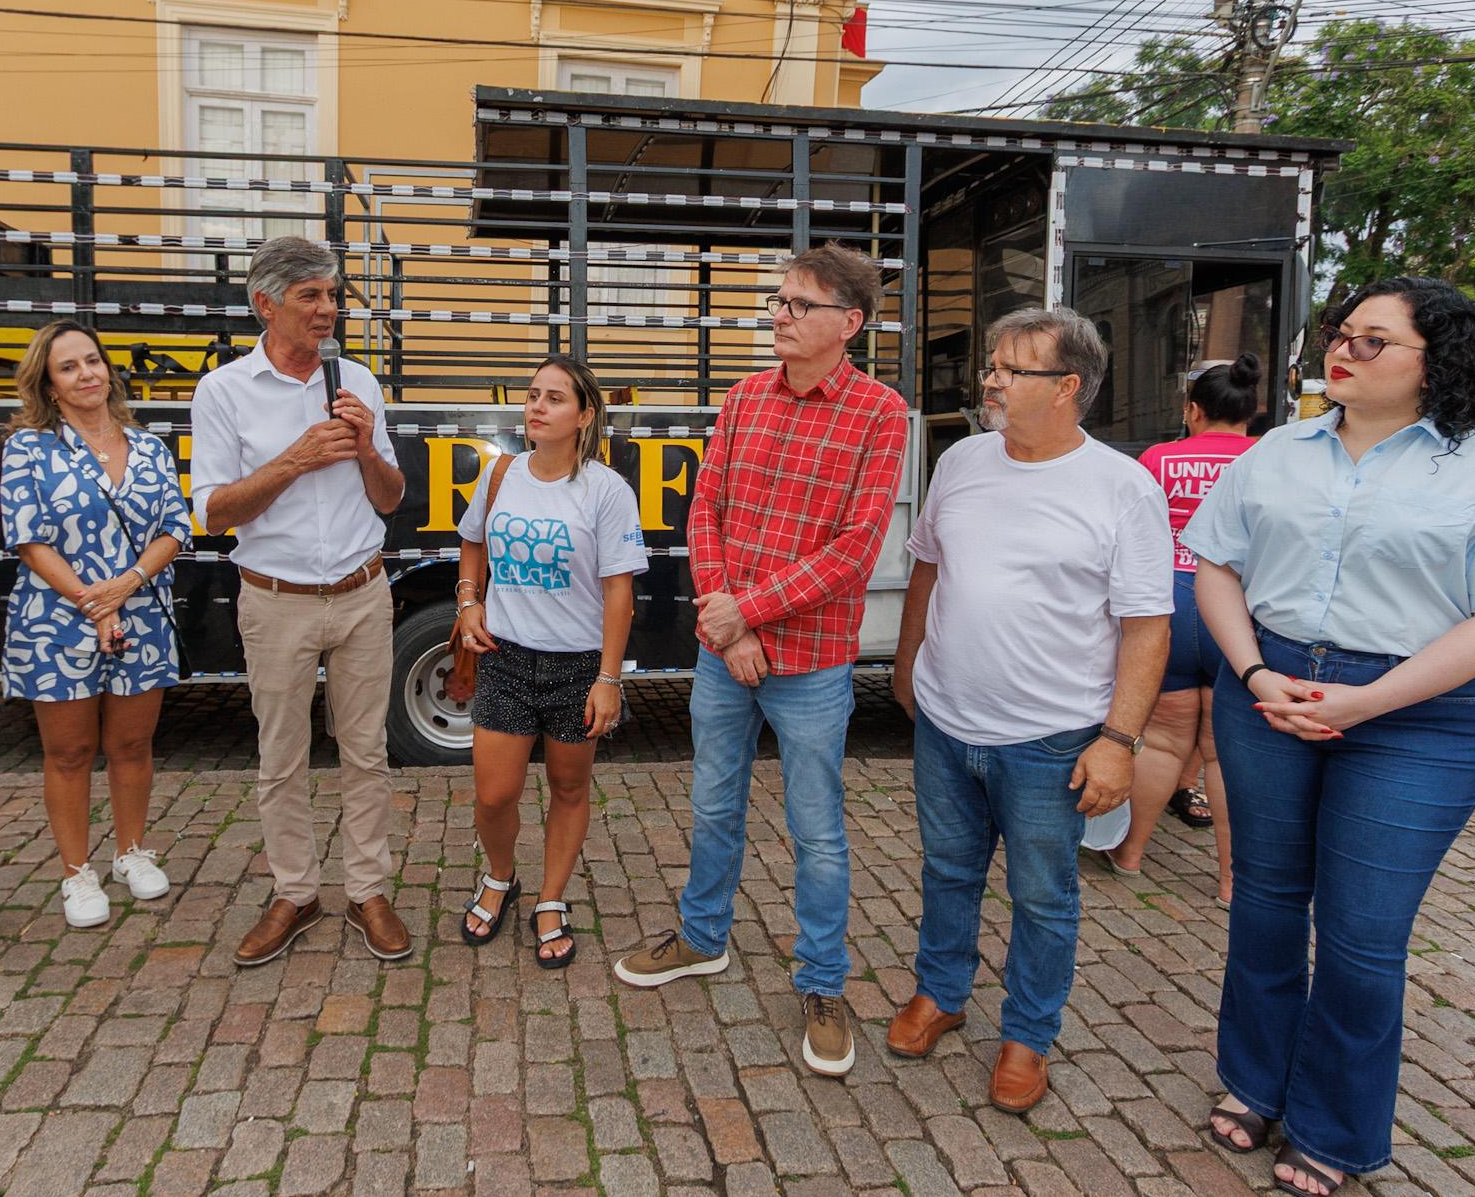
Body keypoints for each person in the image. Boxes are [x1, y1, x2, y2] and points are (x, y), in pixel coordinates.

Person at [1185, 278, 1475, 1196]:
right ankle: (1254, 1080)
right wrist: (1252, 672)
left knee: (1365, 936)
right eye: (1341, 333)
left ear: (1432, 360)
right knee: (1265, 901)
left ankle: (1334, 1126)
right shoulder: (1277, 451)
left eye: (1374, 341)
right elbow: (1217, 566)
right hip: (1272, 684)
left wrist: (1362, 704)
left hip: (1420, 713)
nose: (1344, 351)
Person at [613, 242, 909, 1079]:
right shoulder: (744, 398)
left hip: (812, 663)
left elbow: (854, 553)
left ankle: (821, 981)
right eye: (777, 302)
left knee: (818, 831)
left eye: (798, 304)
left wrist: (751, 610)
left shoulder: (880, 414)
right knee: (713, 806)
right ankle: (703, 937)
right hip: (726, 650)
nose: (779, 315)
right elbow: (705, 507)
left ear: (848, 323)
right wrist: (730, 622)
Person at [886, 306, 1172, 1111]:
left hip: (1052, 739)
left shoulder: (1123, 487)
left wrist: (1119, 739)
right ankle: (940, 994)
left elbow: (1148, 625)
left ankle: (1026, 1036)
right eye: (994, 365)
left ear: (1068, 387)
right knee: (947, 870)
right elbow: (928, 570)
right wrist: (908, 666)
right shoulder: (964, 461)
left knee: (1044, 895)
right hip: (947, 721)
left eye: (1012, 370)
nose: (991, 381)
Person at [191, 237, 412, 965]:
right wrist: (296, 458)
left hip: (360, 591)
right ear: (266, 304)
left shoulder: (359, 380)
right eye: (311, 296)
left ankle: (368, 891)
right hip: (275, 598)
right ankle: (295, 890)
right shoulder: (224, 391)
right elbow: (214, 513)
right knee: (280, 756)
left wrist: (369, 447)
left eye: (332, 294)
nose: (329, 309)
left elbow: (390, 499)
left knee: (367, 751)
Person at [454, 357, 647, 967]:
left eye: (555, 398)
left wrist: (608, 679)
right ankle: (500, 875)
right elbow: (472, 541)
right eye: (533, 394)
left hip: (576, 666)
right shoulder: (500, 474)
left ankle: (552, 898)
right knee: (494, 793)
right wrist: (467, 602)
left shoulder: (606, 490)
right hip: (506, 659)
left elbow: (620, 590)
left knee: (568, 787)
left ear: (585, 415)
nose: (536, 406)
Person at [0, 321, 191, 928]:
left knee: (132, 746)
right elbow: (28, 540)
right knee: (70, 751)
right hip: (56, 621)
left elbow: (176, 530)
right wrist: (97, 602)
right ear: (49, 384)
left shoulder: (151, 447)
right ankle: (77, 872)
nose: (86, 374)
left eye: (93, 360)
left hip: (141, 615)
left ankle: (132, 852)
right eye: (68, 366)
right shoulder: (29, 447)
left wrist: (127, 586)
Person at [1103, 354, 1263, 904]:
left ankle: (1130, 853)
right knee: (1222, 753)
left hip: (1167, 602)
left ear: (1192, 410)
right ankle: (1229, 880)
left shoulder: (1160, 458)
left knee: (1166, 739)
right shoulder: (1268, 459)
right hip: (1235, 611)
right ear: (1253, 409)